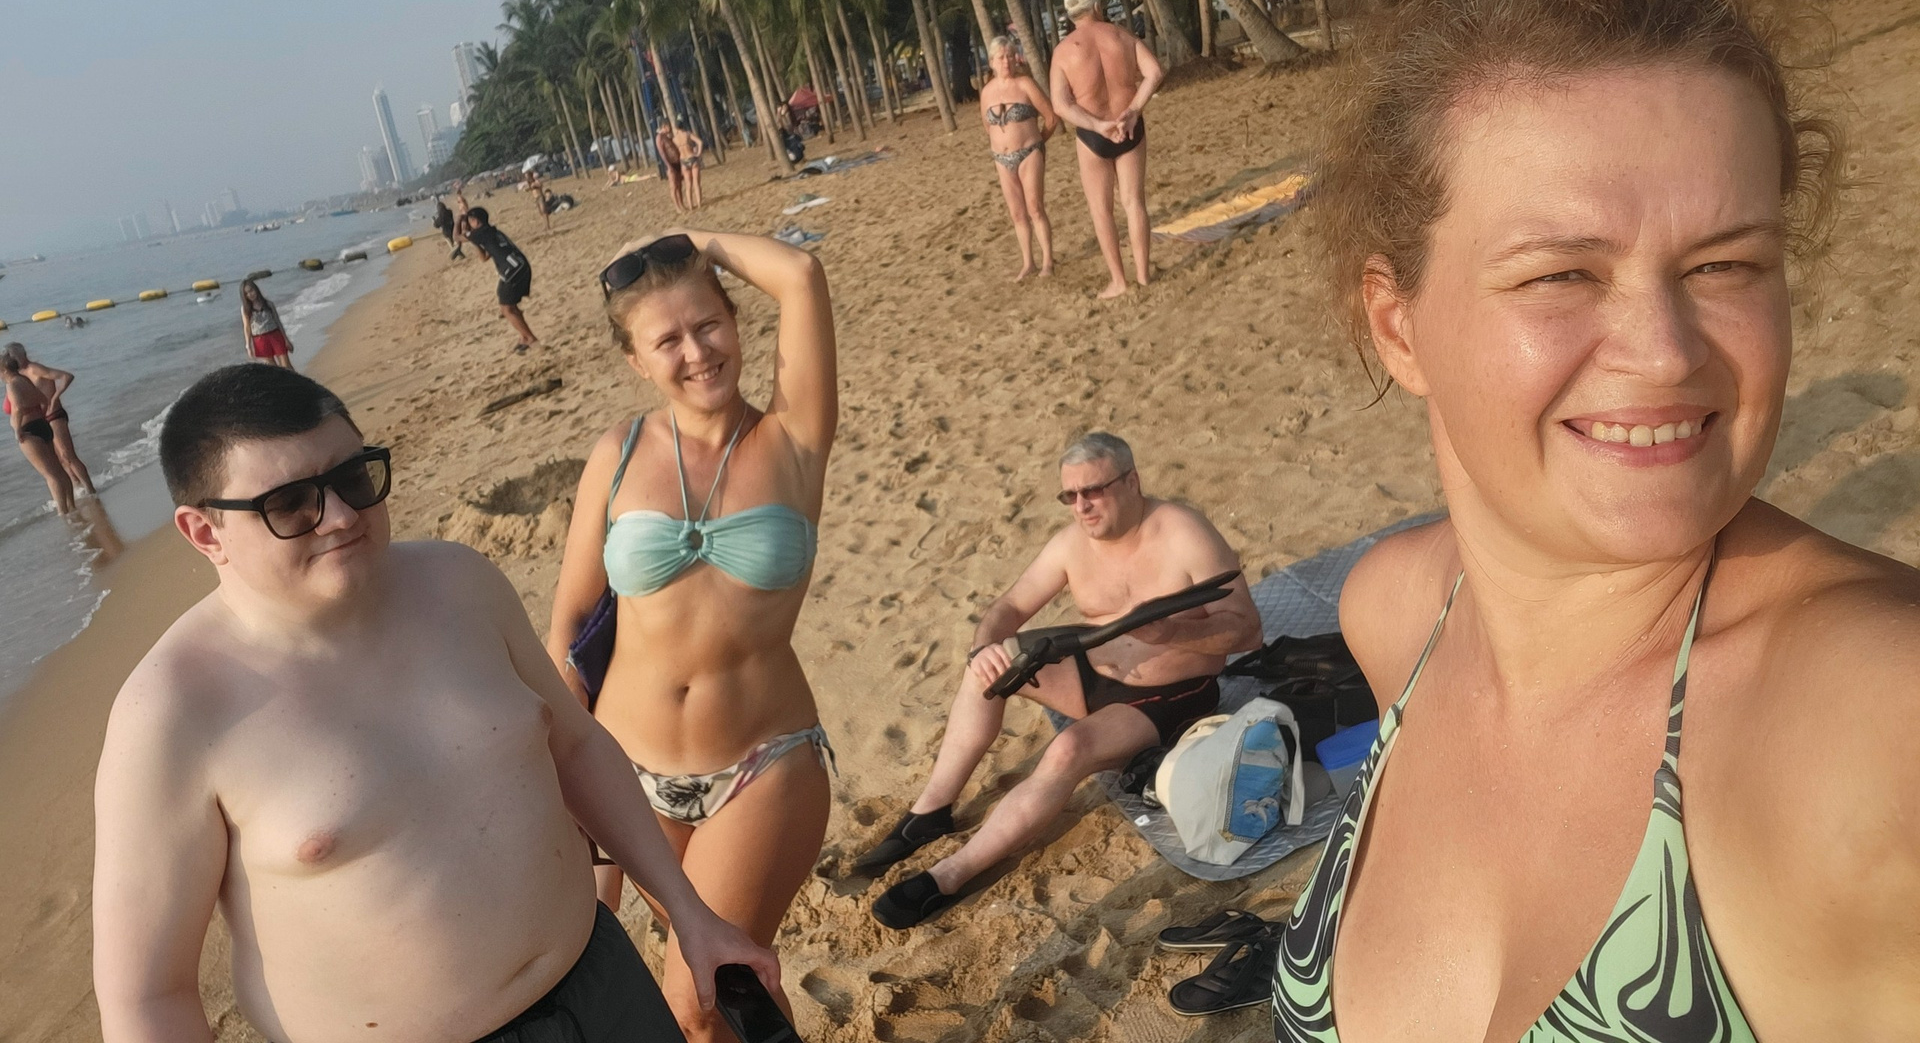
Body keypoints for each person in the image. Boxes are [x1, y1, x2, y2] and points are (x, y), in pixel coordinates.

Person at [1271, 0, 1920, 1040]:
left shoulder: (1875, 722)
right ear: (1398, 327)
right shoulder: (1395, 615)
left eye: (1724, 265)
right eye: (1560, 275)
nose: (1665, 353)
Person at [92, 364, 778, 1043]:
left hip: (605, 985)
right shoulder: (173, 711)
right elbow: (150, 994)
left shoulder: (460, 582)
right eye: (291, 503)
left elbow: (575, 747)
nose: (341, 516)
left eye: (353, 477)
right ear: (205, 532)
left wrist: (687, 912)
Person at [547, 229, 836, 1041]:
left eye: (709, 325)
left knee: (697, 1002)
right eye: (667, 340)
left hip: (760, 765)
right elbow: (570, 623)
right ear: (636, 362)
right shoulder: (617, 453)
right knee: (739, 988)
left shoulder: (794, 439)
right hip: (629, 775)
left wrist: (697, 240)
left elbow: (801, 273)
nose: (697, 352)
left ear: (736, 323)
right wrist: (565, 770)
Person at [862, 433, 1260, 928]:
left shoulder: (1183, 533)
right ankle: (930, 811)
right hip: (1090, 672)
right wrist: (982, 650)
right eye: (1069, 496)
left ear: (1132, 482)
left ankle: (949, 875)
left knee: (1068, 750)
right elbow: (1009, 607)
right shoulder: (1072, 543)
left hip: (1170, 694)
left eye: (1093, 491)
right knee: (993, 664)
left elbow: (1248, 629)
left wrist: (1173, 632)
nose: (1081, 507)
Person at [1050, 0, 1165, 299]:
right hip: (1129, 126)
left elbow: (1061, 105)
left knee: (1102, 211)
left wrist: (1098, 126)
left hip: (1093, 135)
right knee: (1134, 203)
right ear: (1097, 6)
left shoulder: (1063, 52)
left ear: (1070, 14)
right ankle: (1143, 276)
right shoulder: (1122, 36)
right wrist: (1134, 110)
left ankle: (1119, 281)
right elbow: (1155, 72)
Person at [980, 36, 1059, 281]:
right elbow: (987, 126)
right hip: (1002, 159)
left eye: (1010, 56)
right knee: (1017, 213)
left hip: (1029, 153)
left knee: (1035, 207)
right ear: (992, 62)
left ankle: (1047, 261)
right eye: (1001, 57)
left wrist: (1038, 142)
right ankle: (1028, 262)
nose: (1006, 61)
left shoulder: (1026, 85)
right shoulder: (987, 92)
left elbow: (1051, 117)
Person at [5, 341, 95, 495]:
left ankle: (90, 489)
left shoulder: (34, 368)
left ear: (22, 355)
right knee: (60, 460)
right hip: (41, 420)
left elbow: (66, 376)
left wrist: (54, 398)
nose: (12, 361)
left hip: (54, 415)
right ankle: (78, 490)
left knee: (68, 455)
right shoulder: (19, 376)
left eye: (13, 357)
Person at [1, 351, 72, 515]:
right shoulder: (24, 380)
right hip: (41, 424)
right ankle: (71, 506)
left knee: (50, 475)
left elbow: (18, 407)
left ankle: (63, 512)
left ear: (4, 370)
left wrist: (17, 429)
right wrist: (40, 414)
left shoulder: (12, 384)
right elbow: (43, 399)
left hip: (28, 430)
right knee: (58, 471)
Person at [462, 207, 539, 352]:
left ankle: (530, 338)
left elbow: (456, 237)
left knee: (507, 309)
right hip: (519, 266)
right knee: (509, 306)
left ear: (475, 221)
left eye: (470, 221)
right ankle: (524, 337)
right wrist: (474, 241)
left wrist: (459, 223)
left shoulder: (481, 232)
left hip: (513, 269)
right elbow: (484, 257)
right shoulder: (490, 232)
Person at [238, 279, 294, 369]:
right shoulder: (245, 309)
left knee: (286, 366)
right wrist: (248, 345)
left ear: (256, 289)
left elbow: (278, 322)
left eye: (251, 291)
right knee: (272, 369)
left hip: (275, 335)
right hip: (260, 339)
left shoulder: (268, 304)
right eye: (246, 293)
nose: (250, 294)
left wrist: (286, 339)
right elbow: (247, 327)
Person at [655, 123, 688, 213]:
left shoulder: (668, 136)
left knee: (679, 185)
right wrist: (668, 165)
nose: (669, 128)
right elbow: (662, 152)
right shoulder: (659, 137)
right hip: (670, 163)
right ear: (664, 126)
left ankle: (681, 204)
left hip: (677, 162)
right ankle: (677, 207)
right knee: (673, 186)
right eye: (668, 127)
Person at [677, 121, 707, 210]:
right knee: (696, 183)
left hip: (683, 160)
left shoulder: (675, 139)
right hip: (692, 158)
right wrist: (698, 153)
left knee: (688, 185)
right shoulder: (688, 134)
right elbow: (700, 142)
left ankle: (690, 206)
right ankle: (699, 203)